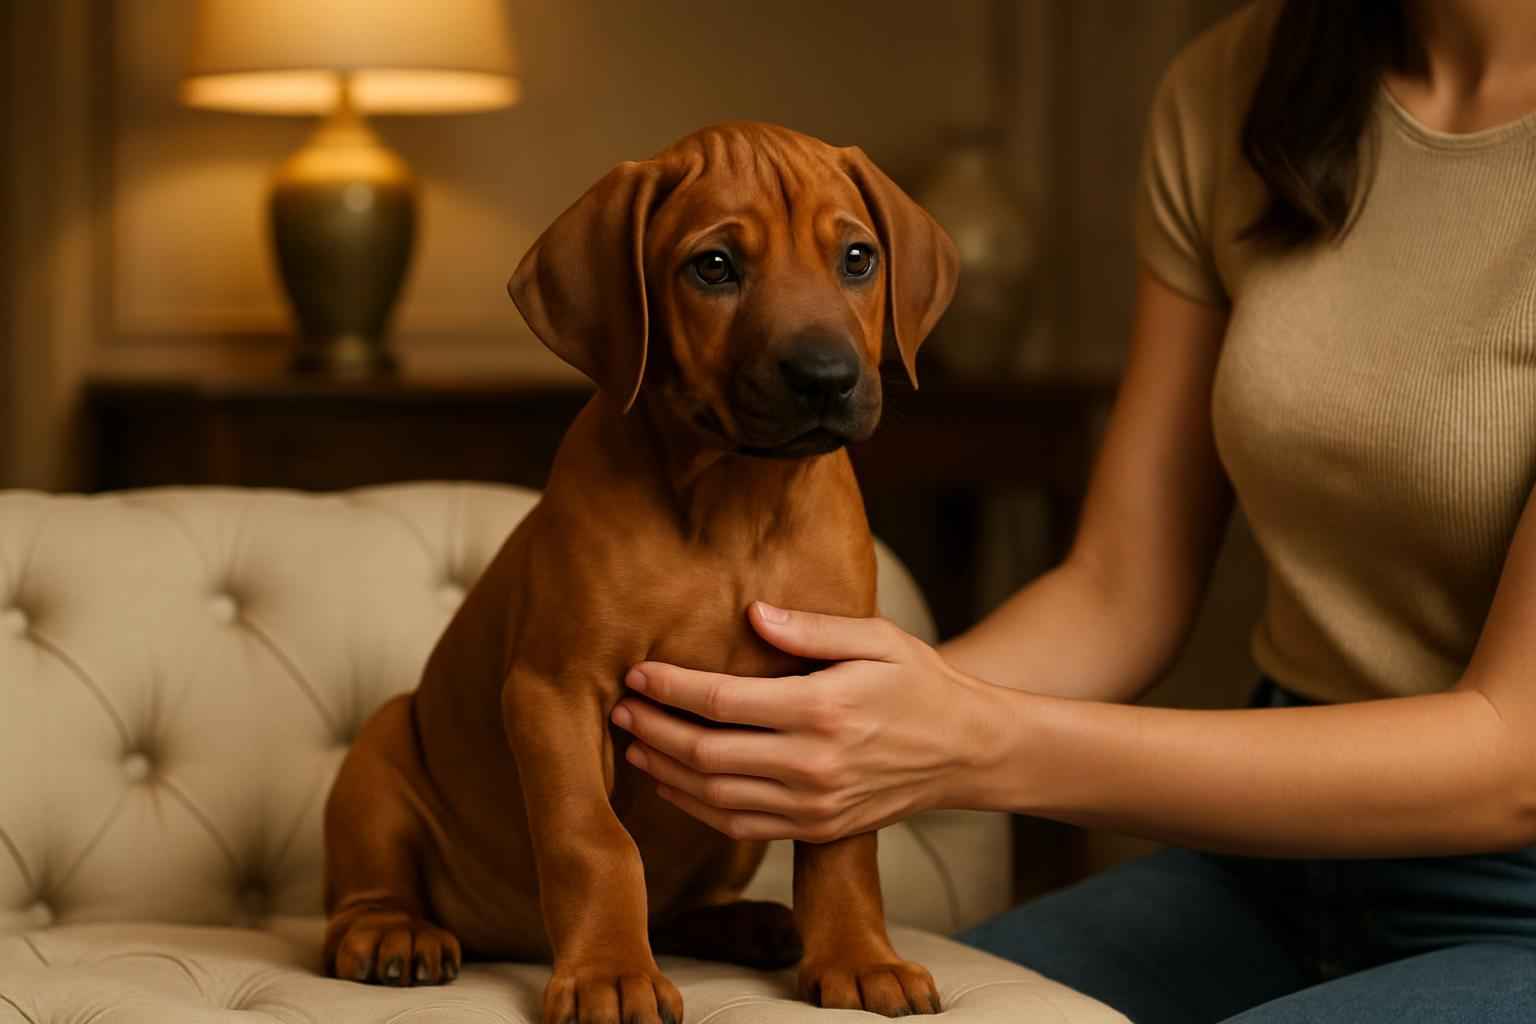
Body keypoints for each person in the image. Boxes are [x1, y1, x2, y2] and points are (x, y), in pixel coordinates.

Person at [606, 0, 1536, 1019]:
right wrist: (833, 719)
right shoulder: (1243, 80)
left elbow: (1514, 757)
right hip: (1271, 866)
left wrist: (969, 740)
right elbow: (1121, 588)